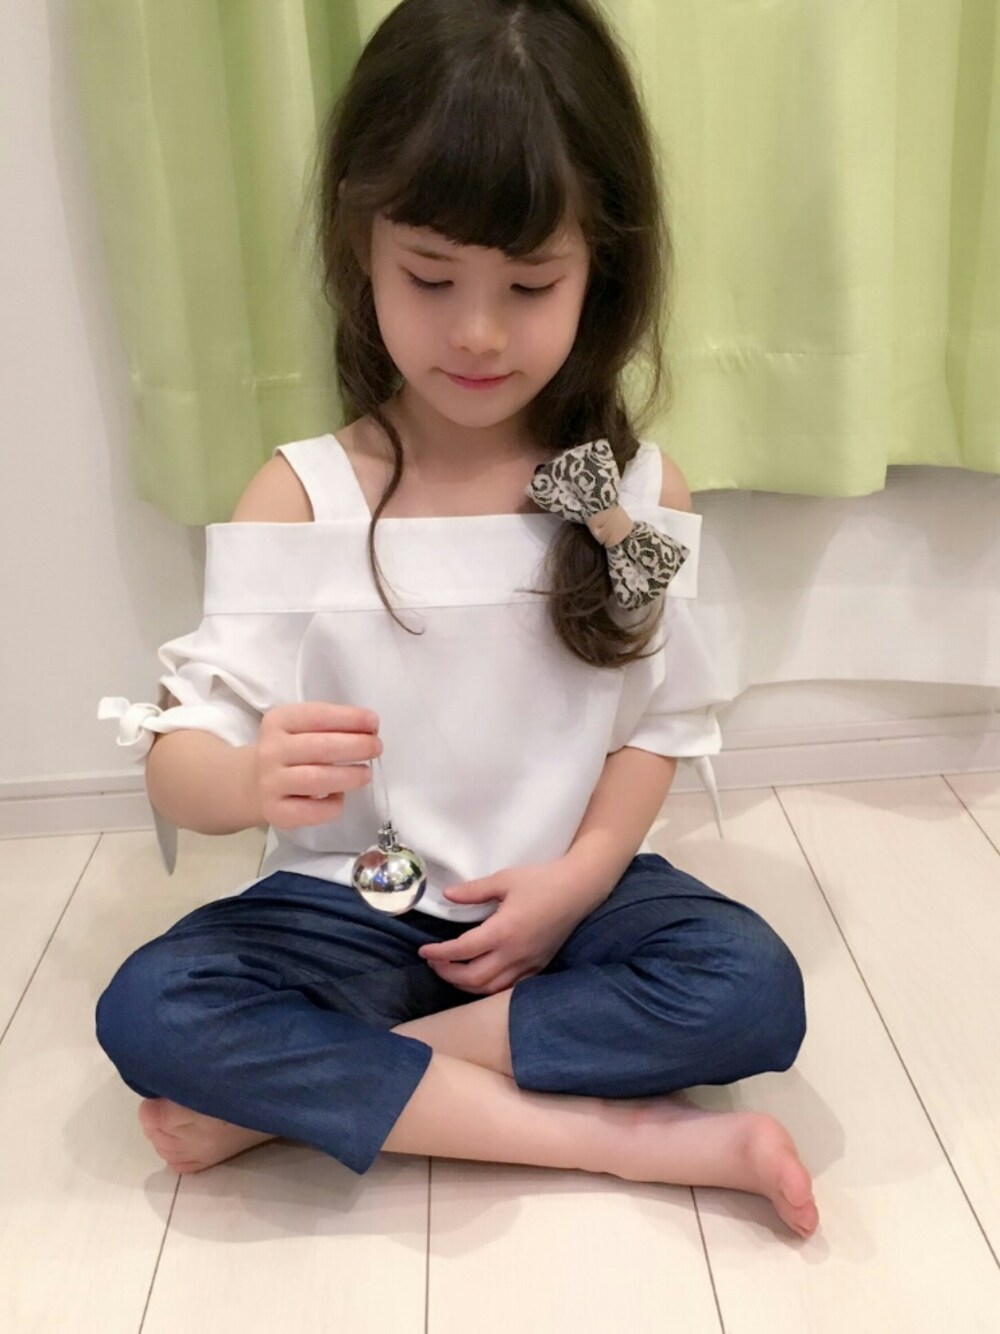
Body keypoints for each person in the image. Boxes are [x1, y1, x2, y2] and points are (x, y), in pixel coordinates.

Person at [95, 0, 819, 1240]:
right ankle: (623, 1140)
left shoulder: (637, 494)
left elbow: (657, 724)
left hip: (564, 898)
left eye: (531, 284)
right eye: (429, 277)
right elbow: (176, 758)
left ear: (601, 270)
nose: (477, 332)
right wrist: (250, 778)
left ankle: (309, 1094)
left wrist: (577, 880)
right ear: (361, 250)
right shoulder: (303, 494)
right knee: (152, 1007)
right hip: (356, 900)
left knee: (752, 987)